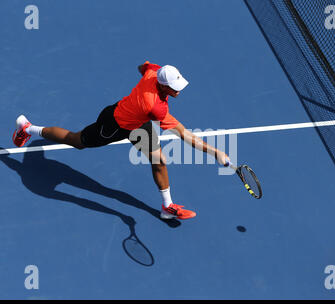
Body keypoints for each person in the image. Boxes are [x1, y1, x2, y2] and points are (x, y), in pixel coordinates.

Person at [12, 61, 230, 220]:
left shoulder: (154, 73)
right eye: (175, 87)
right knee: (76, 141)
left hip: (138, 123)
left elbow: (142, 67)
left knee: (159, 160)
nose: (178, 90)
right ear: (163, 87)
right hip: (114, 125)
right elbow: (183, 134)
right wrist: (216, 153)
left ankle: (167, 206)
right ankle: (29, 128)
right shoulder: (155, 107)